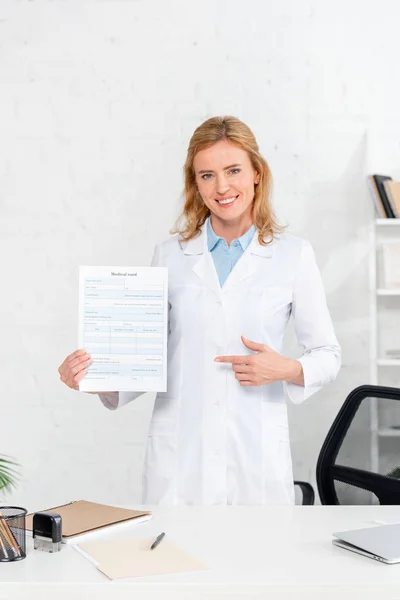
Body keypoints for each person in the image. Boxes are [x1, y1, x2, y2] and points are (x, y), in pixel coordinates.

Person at [58, 116, 341, 506]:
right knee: (175, 560)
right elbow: (149, 362)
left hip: (254, 450)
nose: (222, 187)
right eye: (207, 175)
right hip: (181, 457)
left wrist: (286, 369)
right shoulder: (170, 254)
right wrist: (93, 377)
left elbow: (328, 355)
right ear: (195, 183)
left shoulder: (293, 255)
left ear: (257, 173)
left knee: (258, 561)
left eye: (233, 170)